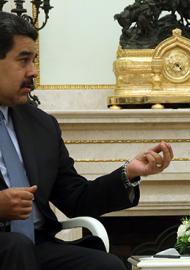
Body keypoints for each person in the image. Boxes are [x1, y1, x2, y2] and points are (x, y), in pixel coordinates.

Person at [0, 11, 173, 270]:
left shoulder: (41, 125)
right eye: (23, 60)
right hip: (9, 249)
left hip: (36, 246)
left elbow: (76, 199)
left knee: (107, 265)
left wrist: (129, 173)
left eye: (34, 60)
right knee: (16, 247)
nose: (33, 71)